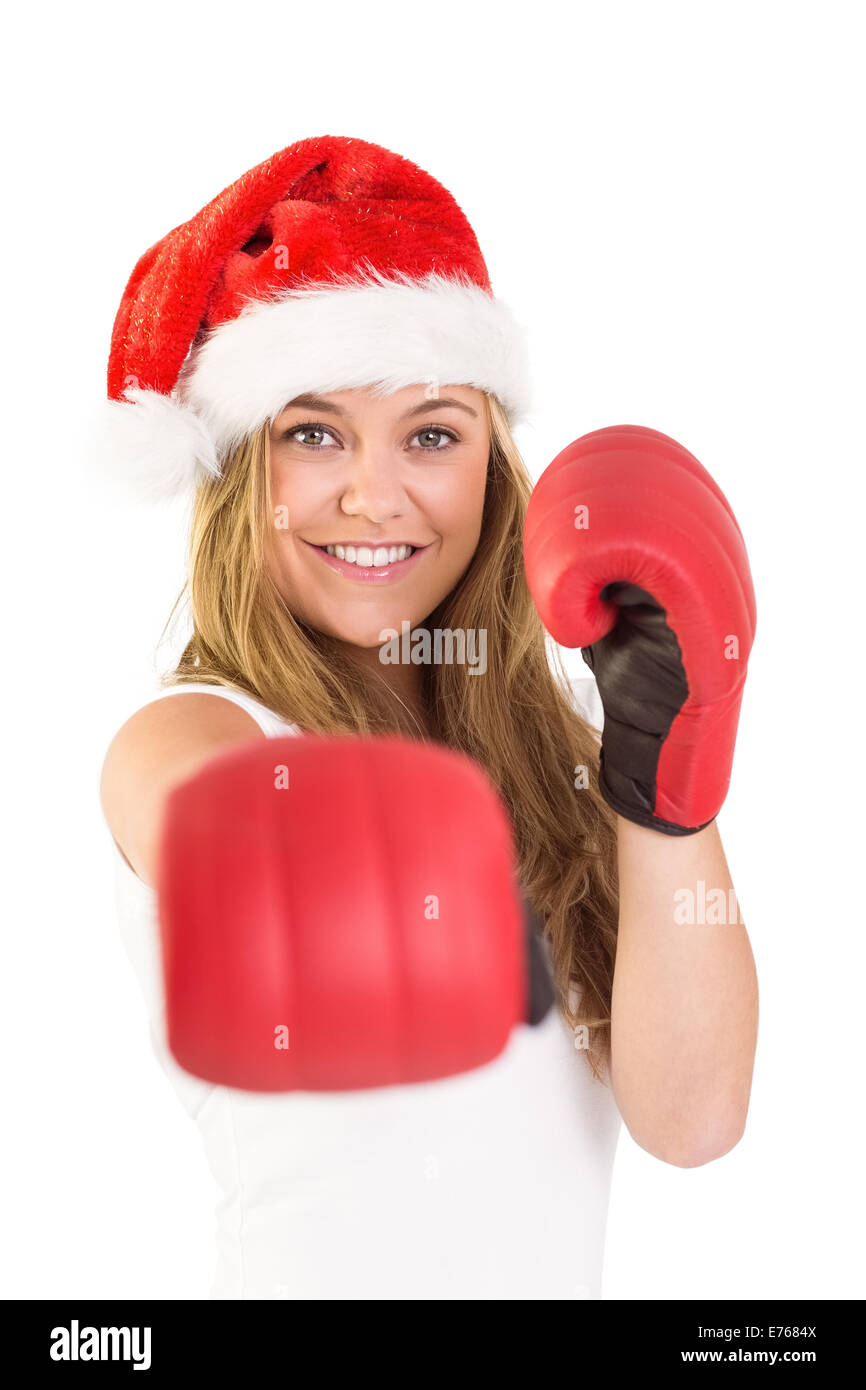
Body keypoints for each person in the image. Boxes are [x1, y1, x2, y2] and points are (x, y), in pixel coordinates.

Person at [95, 133, 759, 1300]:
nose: (373, 493)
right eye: (312, 432)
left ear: (490, 471)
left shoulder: (559, 773)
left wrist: (667, 775)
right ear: (242, 468)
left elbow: (694, 1119)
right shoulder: (202, 731)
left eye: (432, 433)